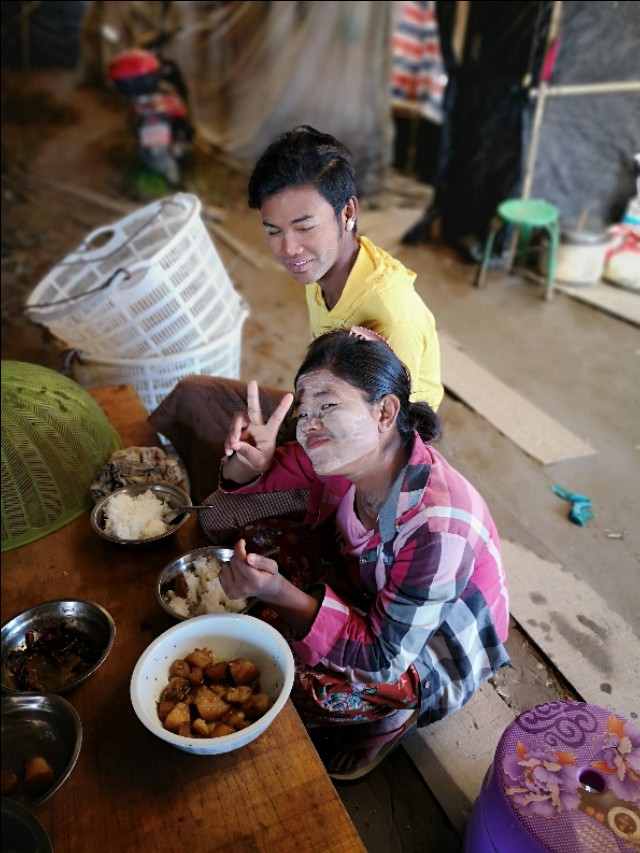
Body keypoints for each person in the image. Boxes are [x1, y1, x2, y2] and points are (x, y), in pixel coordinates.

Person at [205, 328, 509, 782]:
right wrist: (249, 461)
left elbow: (385, 658)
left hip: (424, 651)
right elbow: (243, 483)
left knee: (292, 679)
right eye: (304, 411)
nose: (308, 425)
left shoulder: (439, 528)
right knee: (260, 539)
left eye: (328, 406)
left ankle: (389, 719)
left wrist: (278, 591)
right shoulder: (343, 453)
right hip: (368, 584)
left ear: (385, 411)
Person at [149, 125, 444, 503]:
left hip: (370, 449)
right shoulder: (326, 268)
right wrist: (288, 430)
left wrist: (284, 452)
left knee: (231, 506)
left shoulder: (389, 316)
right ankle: (218, 490)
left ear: (348, 211)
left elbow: (389, 442)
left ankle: (229, 500)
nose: (289, 248)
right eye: (274, 230)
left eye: (304, 226)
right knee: (194, 397)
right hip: (327, 407)